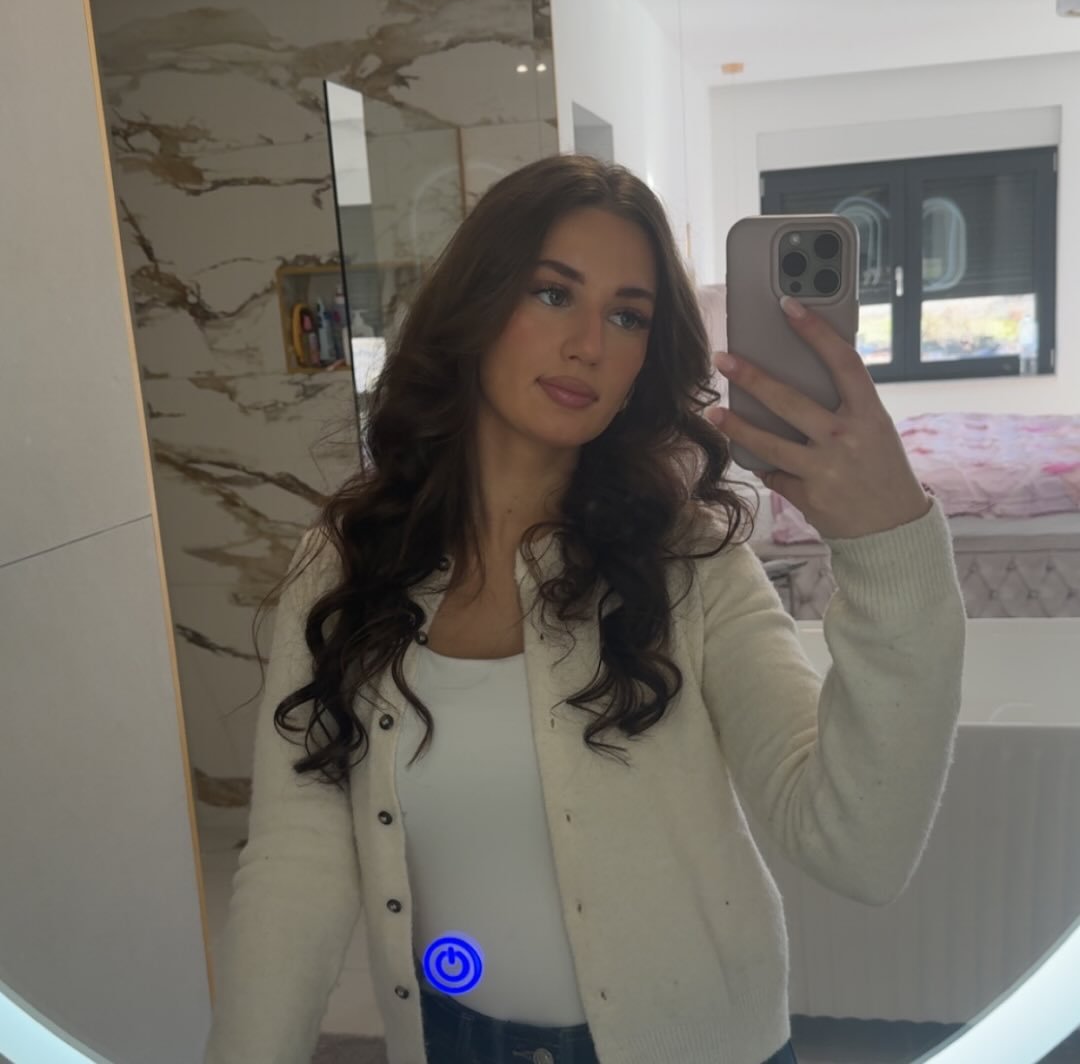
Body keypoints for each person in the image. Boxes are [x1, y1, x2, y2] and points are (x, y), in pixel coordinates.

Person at [204, 154, 966, 1064]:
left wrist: (889, 544)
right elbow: (295, 863)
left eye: (627, 316)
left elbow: (858, 847)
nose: (589, 346)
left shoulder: (690, 564)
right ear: (478, 302)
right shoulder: (345, 565)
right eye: (553, 293)